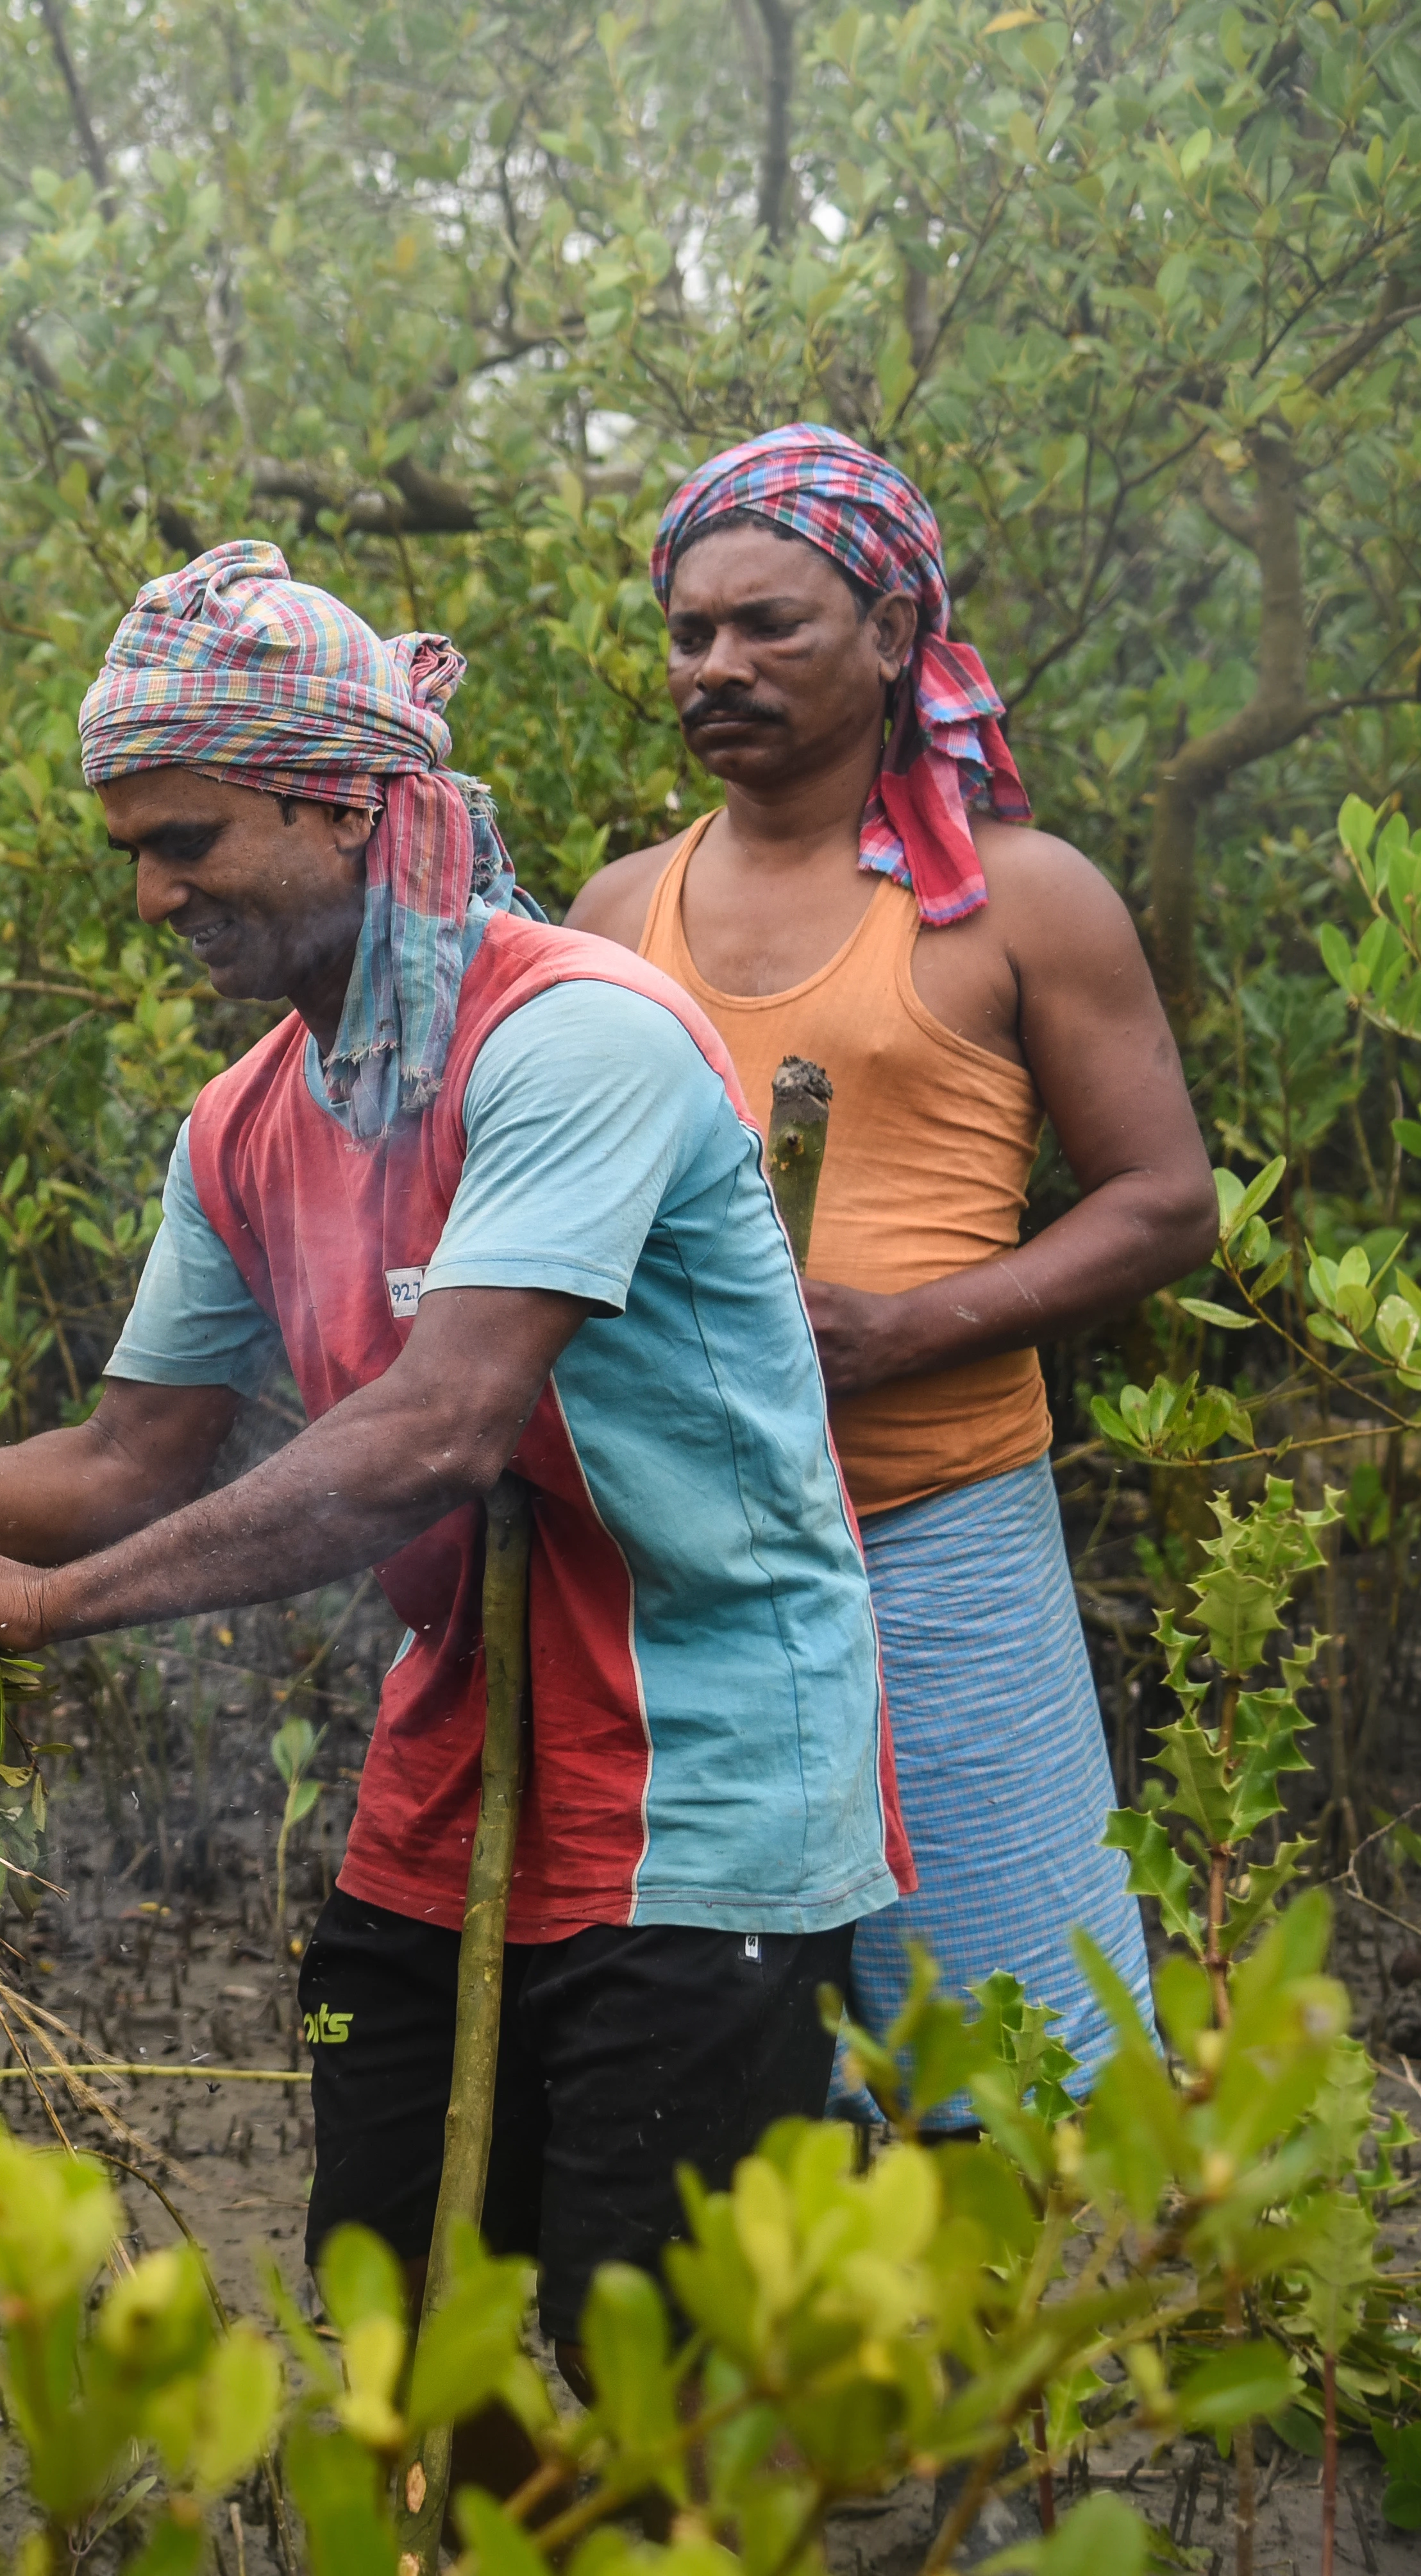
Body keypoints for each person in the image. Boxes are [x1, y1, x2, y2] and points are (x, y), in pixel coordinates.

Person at [0, 543, 903, 2461]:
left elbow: (434, 1433)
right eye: (131, 849)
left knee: (663, 2359)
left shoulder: (578, 1042)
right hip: (455, 1774)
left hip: (703, 1786)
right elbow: (128, 1453)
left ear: (337, 804)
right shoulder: (245, 1119)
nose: (152, 895)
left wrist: (49, 1607)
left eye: (187, 839)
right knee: (397, 2300)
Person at [564, 424, 1203, 2110]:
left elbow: (1163, 1202)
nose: (720, 666)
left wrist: (908, 1329)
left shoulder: (1019, 902)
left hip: (942, 1536)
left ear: (895, 635)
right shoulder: (618, 910)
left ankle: (990, 2372)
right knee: (720, 2050)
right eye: (693, 633)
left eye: (771, 625)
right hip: (688, 1560)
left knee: (1001, 2051)